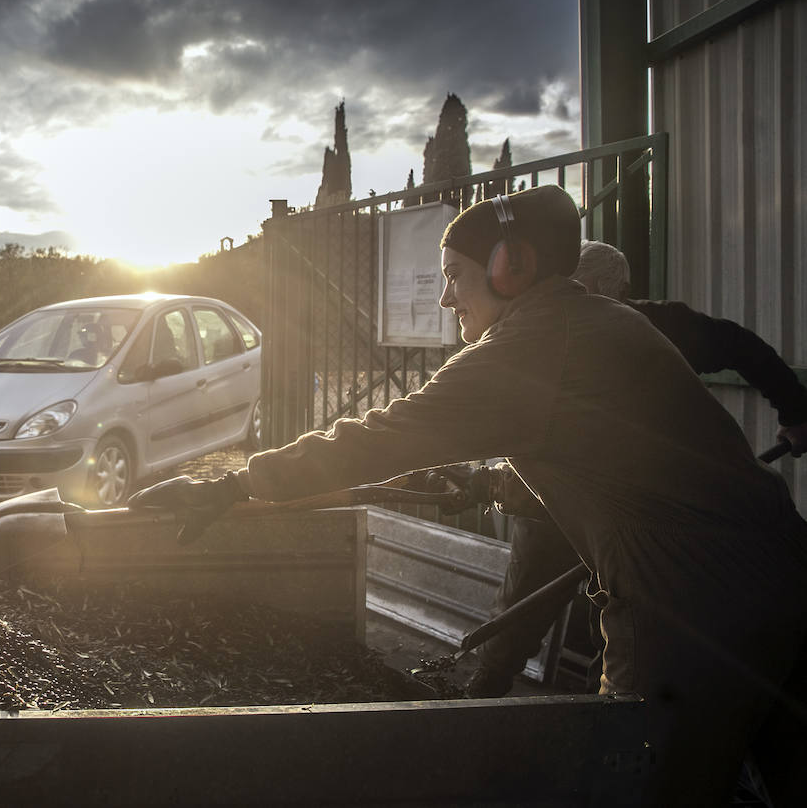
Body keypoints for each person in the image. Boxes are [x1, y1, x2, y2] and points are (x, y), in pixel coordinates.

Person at [129, 185, 807, 807]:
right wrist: (491, 483)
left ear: (511, 266)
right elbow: (618, 459)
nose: (447, 298)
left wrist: (234, 482)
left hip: (692, 610)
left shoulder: (532, 347)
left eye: (454, 275)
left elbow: (378, 435)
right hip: (783, 575)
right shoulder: (603, 322)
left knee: (634, 784)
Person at [468, 240, 807, 699]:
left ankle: (605, 723)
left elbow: (742, 347)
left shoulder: (659, 325)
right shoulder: (539, 333)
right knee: (525, 599)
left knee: (618, 614)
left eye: (584, 295)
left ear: (618, 295)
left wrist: (796, 412)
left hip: (633, 508)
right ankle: (482, 696)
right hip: (557, 494)